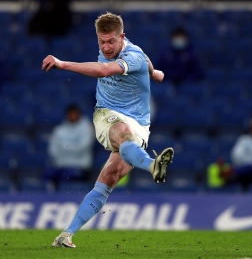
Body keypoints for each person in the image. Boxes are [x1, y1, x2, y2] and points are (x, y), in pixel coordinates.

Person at [42, 12, 174, 248]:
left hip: (140, 125)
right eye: (101, 42)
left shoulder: (132, 55)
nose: (106, 47)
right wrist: (154, 73)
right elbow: (144, 60)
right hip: (107, 114)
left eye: (111, 41)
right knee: (122, 132)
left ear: (122, 37)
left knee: (108, 179)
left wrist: (62, 63)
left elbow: (114, 67)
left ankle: (65, 235)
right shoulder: (118, 50)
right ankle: (153, 166)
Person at [46, 104, 94, 191]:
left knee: (68, 176)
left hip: (80, 167)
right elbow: (53, 151)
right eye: (70, 114)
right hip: (61, 167)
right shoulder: (59, 130)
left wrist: (64, 149)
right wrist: (70, 149)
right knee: (47, 175)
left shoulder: (86, 129)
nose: (73, 116)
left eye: (75, 113)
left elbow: (82, 148)